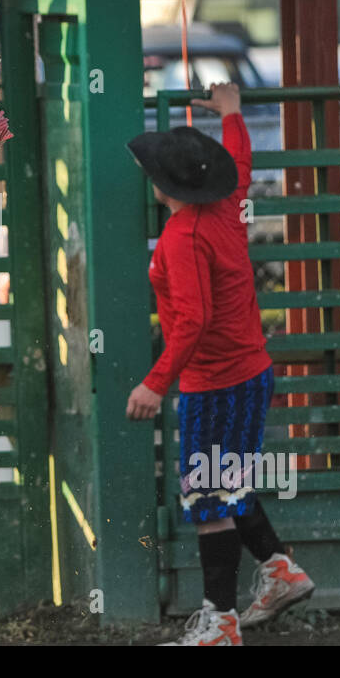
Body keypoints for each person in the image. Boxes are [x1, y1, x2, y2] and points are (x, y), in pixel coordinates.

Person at [126, 83, 313, 646]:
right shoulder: (225, 207)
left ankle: (221, 620)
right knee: (226, 484)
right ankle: (280, 572)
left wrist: (156, 383)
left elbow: (193, 320)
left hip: (217, 382)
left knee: (208, 497)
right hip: (248, 372)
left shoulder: (182, 238)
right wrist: (232, 113)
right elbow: (243, 164)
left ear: (163, 185)